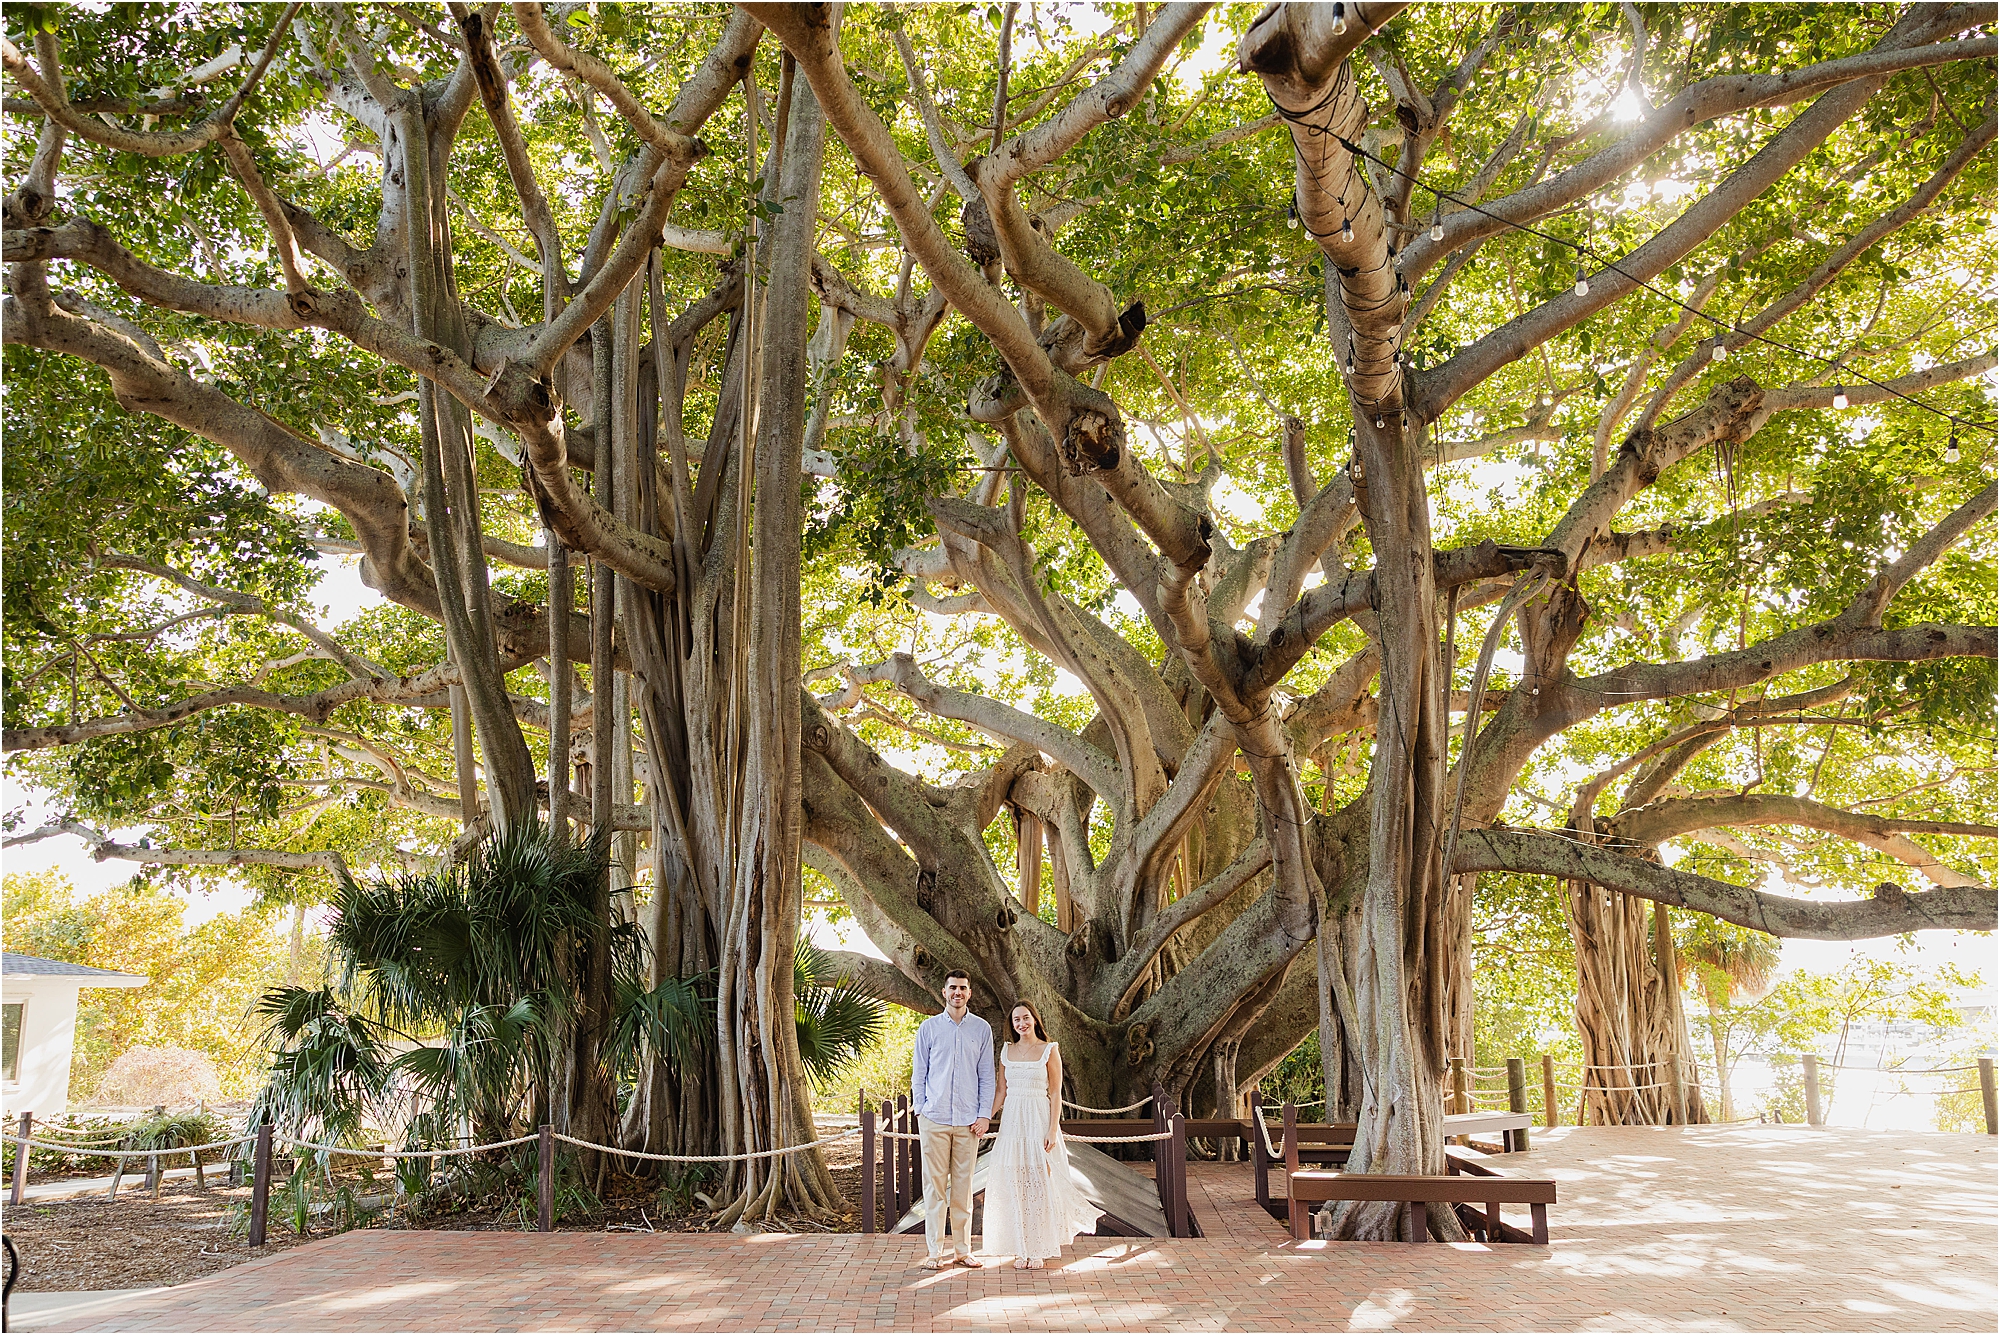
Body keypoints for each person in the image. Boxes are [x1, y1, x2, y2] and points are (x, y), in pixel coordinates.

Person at [981, 999, 1101, 1269]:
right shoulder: (1006, 1051)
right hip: (1013, 1122)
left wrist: (1051, 1129)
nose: (1021, 1023)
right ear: (1012, 1025)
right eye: (1016, 1020)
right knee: (1015, 1184)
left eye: (1025, 1018)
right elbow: (1001, 1091)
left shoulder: (1049, 1050)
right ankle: (1020, 1247)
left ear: (1034, 1019)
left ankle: (1037, 1247)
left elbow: (1056, 1093)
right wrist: (986, 1118)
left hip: (1038, 1119)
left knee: (1039, 1183)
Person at [910, 968, 993, 1269]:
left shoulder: (982, 1029)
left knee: (963, 1189)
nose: (958, 993)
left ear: (970, 993)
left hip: (968, 1122)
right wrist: (921, 1109)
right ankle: (934, 1252)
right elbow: (919, 1074)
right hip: (935, 1119)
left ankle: (962, 1250)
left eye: (963, 988)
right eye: (952, 988)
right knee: (933, 1189)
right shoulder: (929, 1029)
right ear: (944, 992)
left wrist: (984, 1115)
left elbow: (987, 1076)